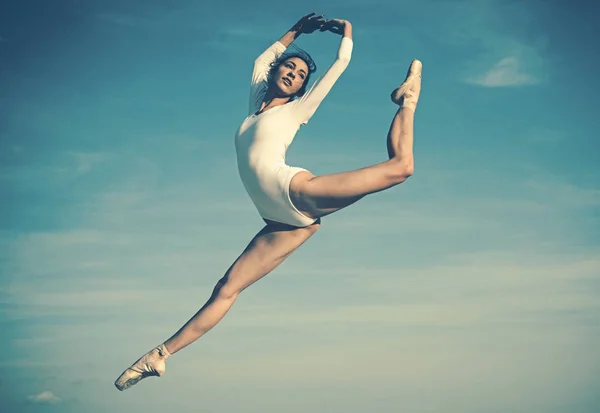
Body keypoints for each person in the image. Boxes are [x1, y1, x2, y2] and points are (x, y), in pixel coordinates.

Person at [114, 12, 421, 391]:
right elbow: (262, 61)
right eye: (289, 67)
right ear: (277, 72)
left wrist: (347, 32)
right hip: (280, 222)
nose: (293, 73)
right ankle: (158, 356)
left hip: (296, 192)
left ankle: (408, 99)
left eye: (300, 75)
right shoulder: (253, 109)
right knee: (226, 288)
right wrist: (297, 30)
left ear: (300, 89)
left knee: (401, 167)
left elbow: (340, 64)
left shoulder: (297, 110)